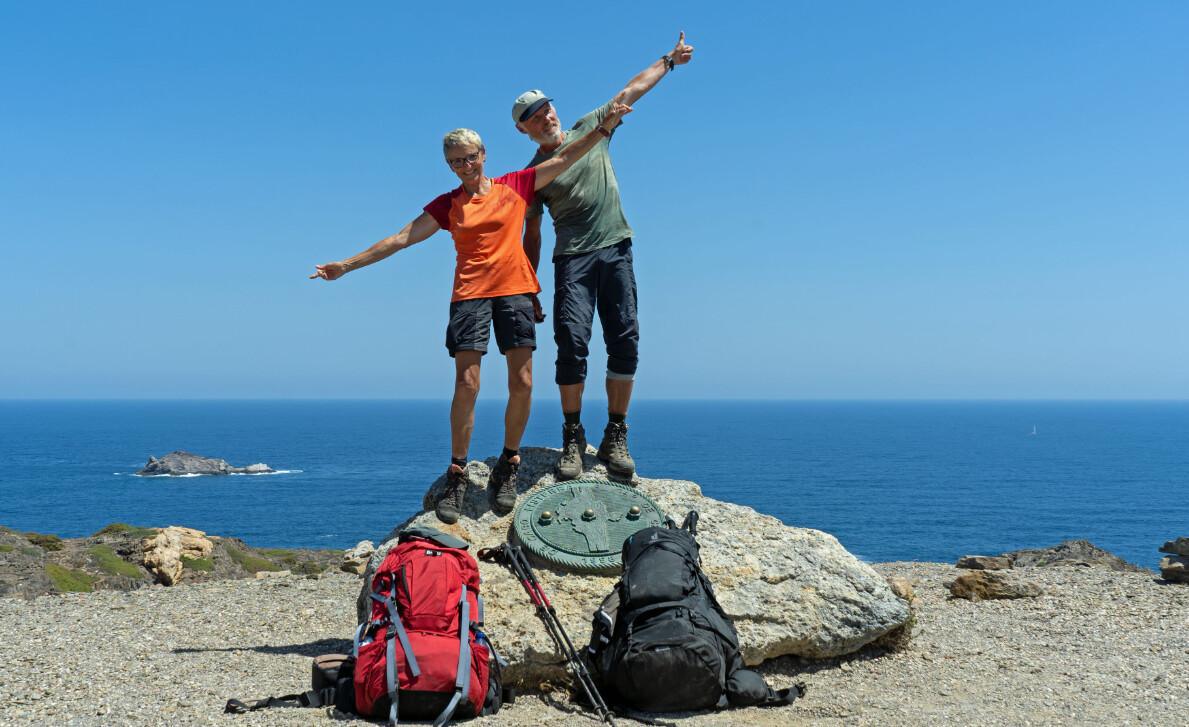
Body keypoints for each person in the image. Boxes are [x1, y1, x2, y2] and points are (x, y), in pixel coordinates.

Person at [310, 103, 632, 524]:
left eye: (469, 157)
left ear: (483, 155)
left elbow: (566, 157)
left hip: (515, 292)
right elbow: (401, 238)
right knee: (467, 383)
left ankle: (509, 462)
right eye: (454, 161)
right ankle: (458, 470)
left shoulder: (516, 185)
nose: (463, 165)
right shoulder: (448, 205)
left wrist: (604, 128)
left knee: (522, 381)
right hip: (470, 296)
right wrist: (346, 266)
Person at [513, 32, 695, 482]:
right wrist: (529, 285)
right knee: (572, 344)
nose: (545, 117)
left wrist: (669, 61)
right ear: (524, 130)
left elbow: (630, 90)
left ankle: (616, 433)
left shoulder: (587, 128)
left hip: (615, 248)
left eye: (546, 109)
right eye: (534, 118)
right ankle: (573, 436)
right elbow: (530, 231)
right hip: (571, 259)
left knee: (625, 339)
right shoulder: (533, 175)